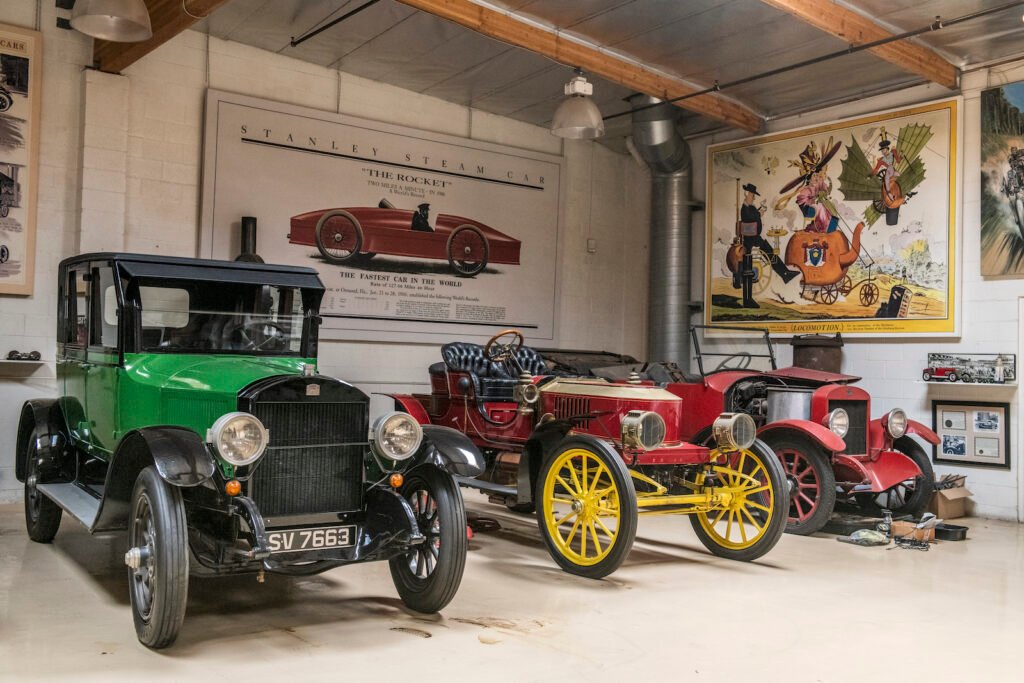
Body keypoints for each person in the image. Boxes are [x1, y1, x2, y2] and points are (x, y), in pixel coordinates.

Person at [738, 183, 799, 308]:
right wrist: (759, 214)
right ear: (746, 194)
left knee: (769, 252)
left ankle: (785, 273)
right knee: (749, 267)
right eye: (752, 195)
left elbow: (753, 215)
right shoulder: (745, 208)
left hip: (754, 238)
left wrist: (759, 211)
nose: (754, 197)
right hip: (750, 240)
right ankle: (748, 300)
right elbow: (749, 218)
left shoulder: (750, 207)